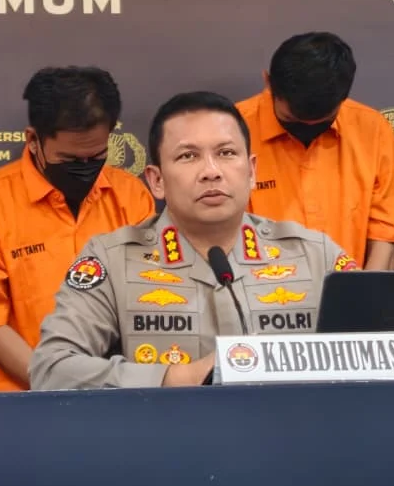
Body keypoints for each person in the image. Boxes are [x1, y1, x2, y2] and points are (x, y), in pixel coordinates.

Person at [29, 91, 355, 391]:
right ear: (157, 181)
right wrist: (174, 378)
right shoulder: (112, 260)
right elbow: (51, 369)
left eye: (226, 153)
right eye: (188, 156)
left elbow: (377, 352)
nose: (211, 171)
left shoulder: (315, 255)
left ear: (252, 171)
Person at [0, 67, 155, 391]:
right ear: (33, 140)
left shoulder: (132, 195)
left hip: (120, 396)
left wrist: (113, 384)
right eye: (69, 160)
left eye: (96, 156)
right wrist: (58, 382)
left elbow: (148, 299)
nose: (84, 169)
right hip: (18, 401)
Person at [236, 32, 394, 270]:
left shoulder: (372, 129)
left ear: (343, 98)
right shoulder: (230, 131)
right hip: (257, 287)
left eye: (323, 122)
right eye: (290, 119)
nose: (307, 128)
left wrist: (366, 289)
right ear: (268, 82)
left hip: (348, 288)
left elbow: (386, 237)